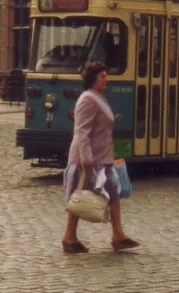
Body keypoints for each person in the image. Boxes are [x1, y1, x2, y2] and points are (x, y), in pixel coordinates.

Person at [62, 61, 138, 254]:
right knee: (79, 197)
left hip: (103, 158)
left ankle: (117, 235)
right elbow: (82, 132)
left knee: (112, 192)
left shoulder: (97, 97)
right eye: (102, 76)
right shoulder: (88, 99)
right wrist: (87, 160)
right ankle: (70, 237)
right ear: (93, 79)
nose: (107, 79)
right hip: (90, 160)